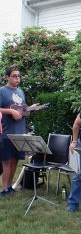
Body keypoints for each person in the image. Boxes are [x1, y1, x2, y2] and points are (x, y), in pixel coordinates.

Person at [0, 65, 38, 197]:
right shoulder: (2, 91)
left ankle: (10, 186)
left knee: (15, 160)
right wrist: (10, 111)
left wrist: (31, 108)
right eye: (14, 76)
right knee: (7, 161)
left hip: (20, 132)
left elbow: (22, 109)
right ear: (7, 77)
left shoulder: (21, 91)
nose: (17, 78)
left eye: (19, 76)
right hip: (7, 132)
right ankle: (4, 189)